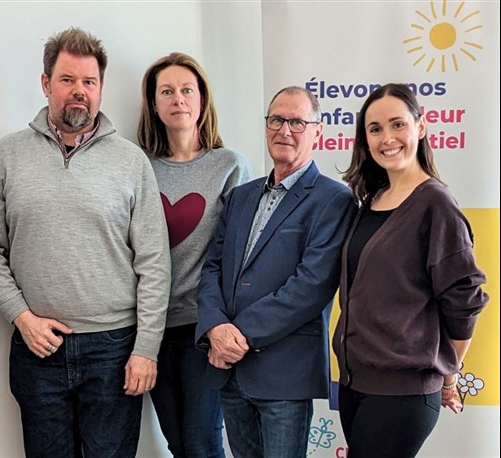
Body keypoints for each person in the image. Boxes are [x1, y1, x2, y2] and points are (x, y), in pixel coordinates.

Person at [0, 27, 171, 457]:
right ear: (46, 83)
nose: (79, 90)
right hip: (37, 347)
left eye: (89, 81)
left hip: (114, 349)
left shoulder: (131, 161)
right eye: (67, 79)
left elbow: (154, 263)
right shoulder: (8, 155)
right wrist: (21, 316)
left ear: (101, 87)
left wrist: (146, 349)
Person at [195, 86, 356, 458]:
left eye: (297, 122)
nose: (284, 130)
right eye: (276, 120)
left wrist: (236, 336)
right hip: (229, 372)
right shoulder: (241, 196)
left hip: (285, 376)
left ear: (318, 132)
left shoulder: (334, 200)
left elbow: (311, 286)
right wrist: (215, 328)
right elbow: (212, 268)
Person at [334, 83, 489, 457]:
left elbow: (465, 302)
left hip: (402, 392)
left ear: (420, 127)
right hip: (356, 384)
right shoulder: (373, 199)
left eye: (397, 124)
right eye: (375, 129)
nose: (387, 138)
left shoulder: (436, 204)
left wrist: (448, 372)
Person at [136, 52, 251, 458]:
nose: (178, 99)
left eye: (187, 90)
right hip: (152, 326)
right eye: (166, 92)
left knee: (202, 443)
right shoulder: (140, 168)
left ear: (202, 99)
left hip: (205, 327)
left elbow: (242, 254)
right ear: (154, 104)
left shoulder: (229, 166)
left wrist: (227, 325)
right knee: (178, 444)